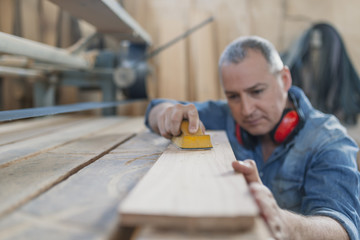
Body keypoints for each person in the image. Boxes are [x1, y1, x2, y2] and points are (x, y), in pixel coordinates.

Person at [144, 36, 360, 239]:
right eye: (233, 96)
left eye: (257, 91)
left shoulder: (328, 140)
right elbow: (157, 107)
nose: (246, 110)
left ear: (284, 79)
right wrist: (166, 115)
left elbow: (343, 229)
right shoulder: (225, 115)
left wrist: (283, 221)